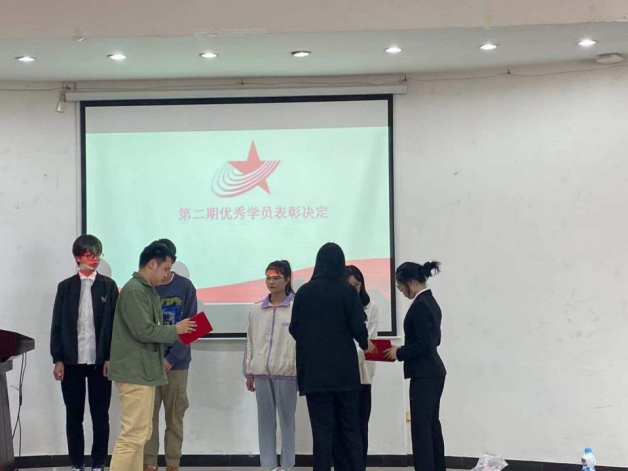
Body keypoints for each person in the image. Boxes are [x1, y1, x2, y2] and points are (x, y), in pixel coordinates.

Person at [108, 241, 196, 471]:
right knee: (132, 436)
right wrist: (176, 329)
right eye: (165, 269)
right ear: (152, 264)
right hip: (135, 372)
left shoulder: (145, 290)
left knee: (141, 433)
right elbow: (144, 330)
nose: (167, 275)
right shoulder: (135, 290)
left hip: (145, 371)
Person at [289, 243, 375, 471]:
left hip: (314, 373)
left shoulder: (304, 292)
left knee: (322, 431)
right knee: (349, 427)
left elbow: (294, 329)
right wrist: (364, 343)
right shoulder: (347, 291)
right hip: (345, 373)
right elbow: (358, 328)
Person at [50, 235, 118, 471]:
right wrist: (57, 359)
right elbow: (57, 325)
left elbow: (115, 326)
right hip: (71, 362)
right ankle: (76, 463)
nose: (95, 259)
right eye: (90, 255)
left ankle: (99, 463)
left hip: (100, 362)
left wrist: (110, 357)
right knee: (74, 416)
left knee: (100, 415)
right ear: (78, 257)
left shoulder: (108, 286)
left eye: (98, 254)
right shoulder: (65, 287)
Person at [384, 261, 446, 471]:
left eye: (400, 286)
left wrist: (399, 352)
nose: (400, 291)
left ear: (411, 282)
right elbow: (434, 341)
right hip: (432, 372)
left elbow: (425, 345)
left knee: (421, 429)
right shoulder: (430, 302)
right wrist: (402, 349)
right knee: (431, 425)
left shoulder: (420, 306)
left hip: (425, 374)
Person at [144, 239, 198, 471]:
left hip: (177, 365)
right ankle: (149, 463)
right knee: (147, 419)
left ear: (172, 262)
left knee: (175, 417)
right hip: (148, 364)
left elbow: (193, 329)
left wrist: (171, 359)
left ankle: (173, 463)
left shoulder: (185, 287)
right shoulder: (144, 287)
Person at [244, 260, 297, 471]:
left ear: (287, 279)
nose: (271, 282)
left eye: (276, 278)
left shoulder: (296, 308)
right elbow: (250, 341)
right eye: (268, 278)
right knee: (265, 421)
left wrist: (301, 372)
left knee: (287, 421)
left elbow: (302, 342)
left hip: (288, 373)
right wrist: (249, 372)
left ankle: (287, 465)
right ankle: (268, 465)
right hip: (261, 374)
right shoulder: (256, 310)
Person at [333, 265, 380, 469]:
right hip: (339, 376)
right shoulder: (334, 307)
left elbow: (369, 343)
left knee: (359, 426)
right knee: (339, 427)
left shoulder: (371, 307)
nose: (353, 289)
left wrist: (348, 357)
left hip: (362, 376)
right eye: (349, 285)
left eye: (357, 284)